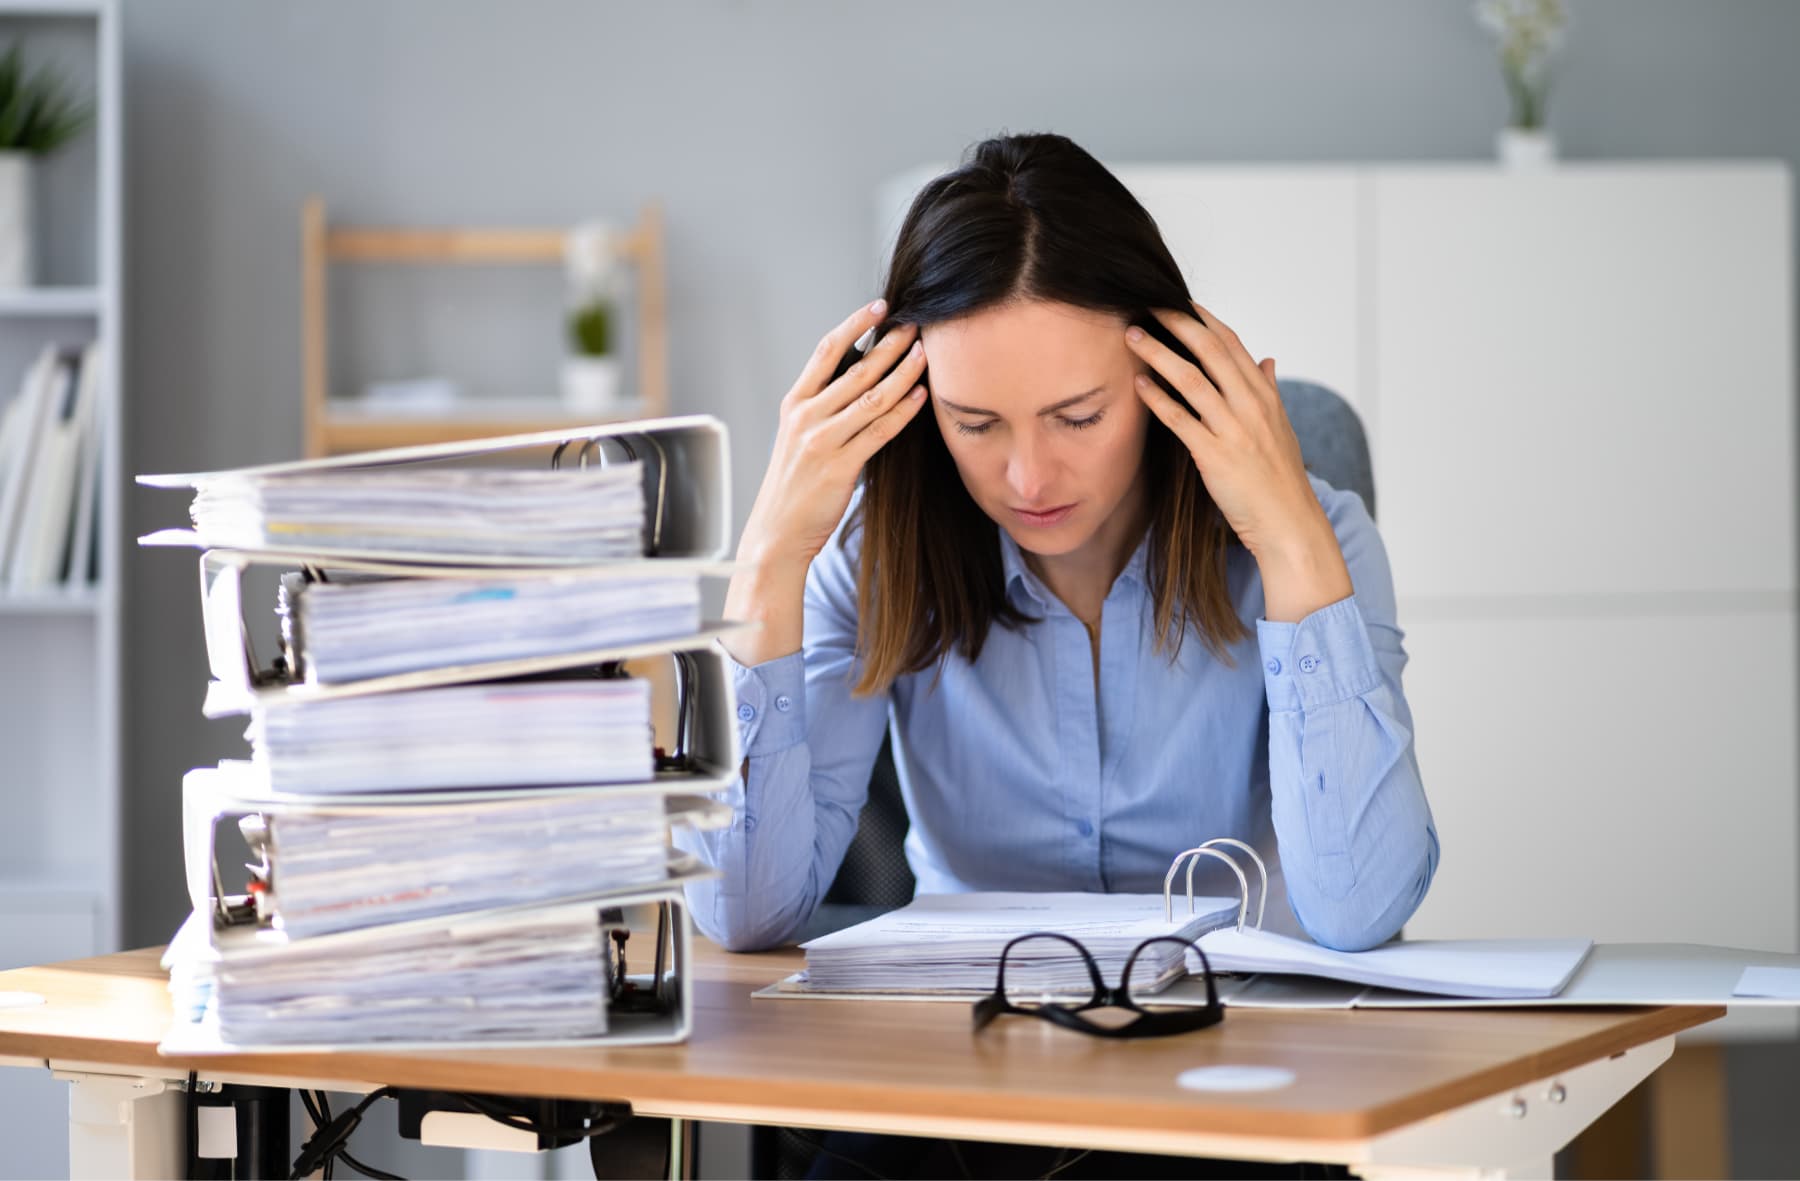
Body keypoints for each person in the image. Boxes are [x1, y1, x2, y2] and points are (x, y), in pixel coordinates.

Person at [675, 131, 1438, 961]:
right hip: (977, 1038)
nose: (1029, 479)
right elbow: (742, 911)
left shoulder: (1319, 540)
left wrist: (1289, 540)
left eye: (1078, 417)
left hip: (1245, 1038)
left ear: (1166, 372)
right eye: (974, 423)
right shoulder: (871, 557)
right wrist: (771, 556)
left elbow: (1359, 909)